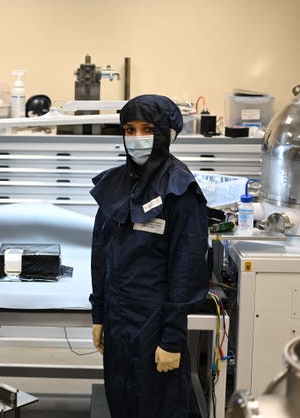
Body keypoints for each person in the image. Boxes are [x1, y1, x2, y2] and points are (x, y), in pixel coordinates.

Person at [89, 94, 209, 417]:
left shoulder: (180, 190)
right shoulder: (114, 185)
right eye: (129, 129)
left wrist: (172, 338)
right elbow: (100, 253)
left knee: (159, 407)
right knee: (121, 402)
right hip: (117, 324)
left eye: (146, 129)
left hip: (155, 326)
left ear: (165, 133)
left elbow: (187, 268)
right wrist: (98, 313)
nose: (137, 138)